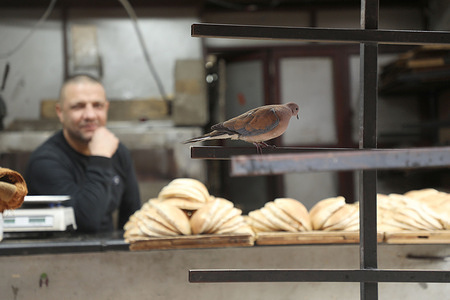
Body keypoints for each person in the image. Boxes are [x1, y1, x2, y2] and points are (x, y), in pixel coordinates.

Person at [25, 74, 141, 233]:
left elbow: (133, 220)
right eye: (78, 106)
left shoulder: (118, 152)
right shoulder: (45, 161)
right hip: (58, 254)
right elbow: (84, 222)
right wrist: (100, 159)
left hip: (109, 254)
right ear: (60, 112)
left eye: (97, 105)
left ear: (106, 108)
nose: (90, 115)